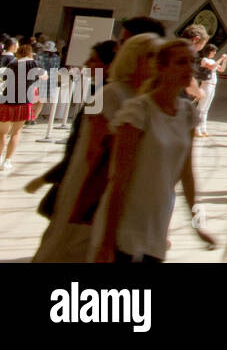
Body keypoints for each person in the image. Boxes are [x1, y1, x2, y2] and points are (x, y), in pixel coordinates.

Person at [33, 35, 159, 262]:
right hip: (91, 191)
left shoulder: (142, 97)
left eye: (93, 60)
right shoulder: (108, 94)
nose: (87, 65)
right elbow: (93, 150)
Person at [92, 38, 216, 262]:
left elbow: (187, 175)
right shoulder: (138, 111)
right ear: (161, 67)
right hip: (126, 225)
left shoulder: (187, 112)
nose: (189, 68)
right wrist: (106, 242)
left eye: (192, 61)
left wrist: (198, 226)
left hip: (157, 223)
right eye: (180, 62)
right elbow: (119, 180)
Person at [1, 38, 40, 171]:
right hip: (23, 101)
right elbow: (38, 78)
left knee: (2, 133)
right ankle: (7, 160)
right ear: (30, 53)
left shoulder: (13, 63)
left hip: (6, 100)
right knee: (16, 132)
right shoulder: (34, 64)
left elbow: (5, 78)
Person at [193, 43, 227, 138]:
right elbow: (212, 67)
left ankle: (203, 128)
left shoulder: (213, 60)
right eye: (214, 51)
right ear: (209, 51)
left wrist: (225, 61)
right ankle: (197, 129)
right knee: (201, 108)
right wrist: (221, 58)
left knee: (206, 108)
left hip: (212, 86)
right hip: (206, 85)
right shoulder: (204, 60)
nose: (215, 53)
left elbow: (221, 69)